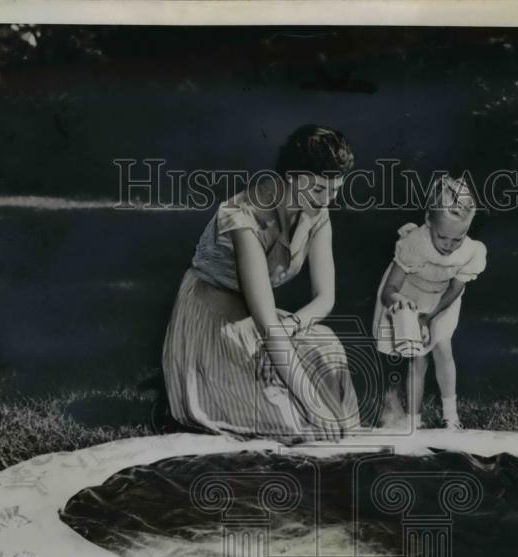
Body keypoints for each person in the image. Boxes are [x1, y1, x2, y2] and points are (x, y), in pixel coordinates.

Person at [162, 125, 360, 442]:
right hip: (212, 319)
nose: (328, 200)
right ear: (292, 177)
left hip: (256, 318)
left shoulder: (318, 212)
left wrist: (293, 327)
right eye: (320, 189)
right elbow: (268, 327)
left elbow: (325, 298)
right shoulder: (244, 215)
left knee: (327, 345)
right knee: (297, 421)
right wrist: (310, 402)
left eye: (334, 191)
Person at [372, 176, 487, 429]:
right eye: (443, 237)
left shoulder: (470, 252)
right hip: (410, 294)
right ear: (428, 221)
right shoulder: (414, 244)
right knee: (417, 356)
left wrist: (430, 316)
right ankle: (413, 421)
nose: (449, 245)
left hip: (443, 299)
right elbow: (389, 289)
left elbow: (456, 288)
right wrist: (401, 304)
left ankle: (451, 417)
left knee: (443, 349)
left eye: (457, 238)